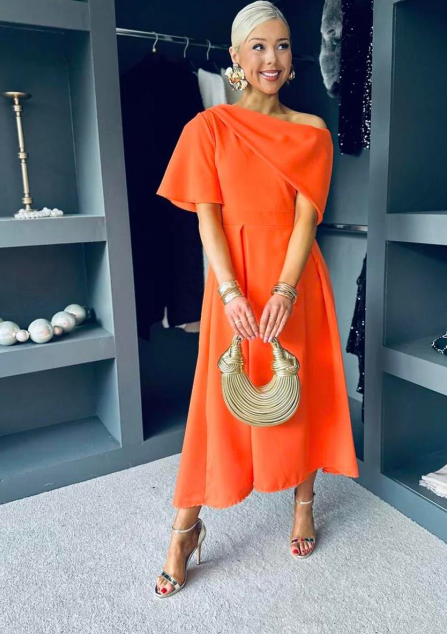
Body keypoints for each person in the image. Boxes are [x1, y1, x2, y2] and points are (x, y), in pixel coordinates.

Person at [154, 0, 359, 598]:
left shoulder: (311, 130)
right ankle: (185, 531)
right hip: (233, 283)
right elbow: (208, 220)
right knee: (216, 402)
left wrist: (285, 290)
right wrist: (229, 291)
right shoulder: (208, 128)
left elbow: (306, 220)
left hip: (294, 278)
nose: (272, 59)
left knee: (301, 388)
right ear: (237, 58)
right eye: (259, 47)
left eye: (283, 45)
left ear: (294, 57)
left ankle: (304, 502)